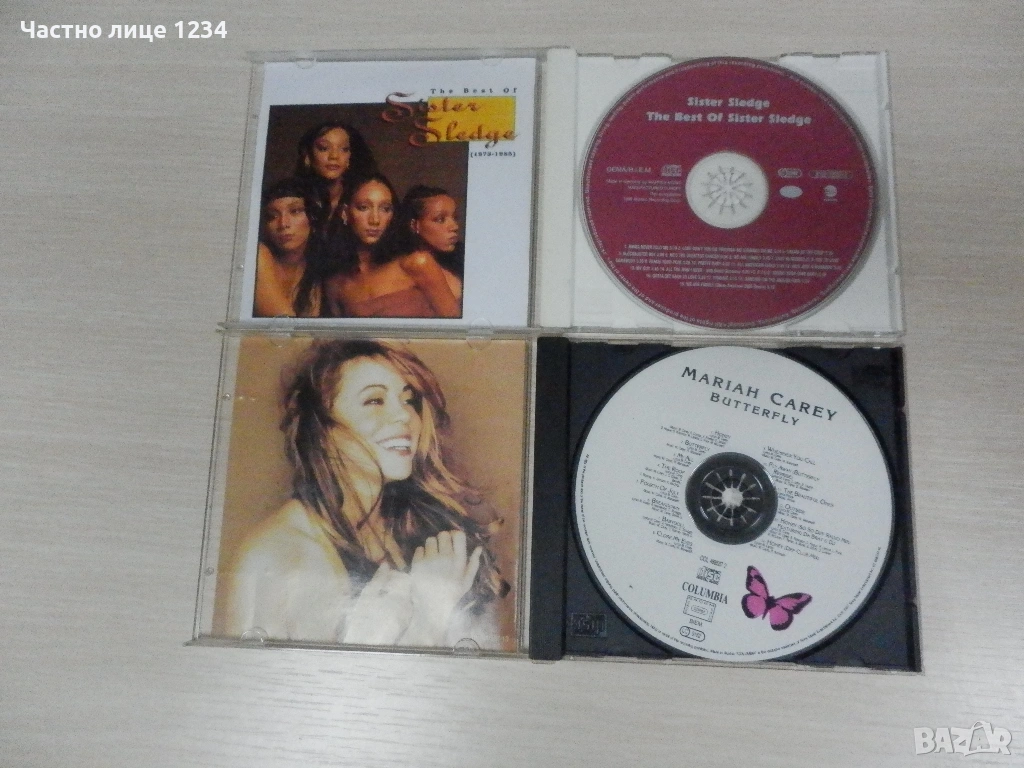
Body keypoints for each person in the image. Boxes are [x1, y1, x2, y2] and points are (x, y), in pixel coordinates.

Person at [222, 340, 509, 647]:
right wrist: (430, 615)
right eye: (374, 401)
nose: (404, 416)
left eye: (408, 400)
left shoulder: (429, 528)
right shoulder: (277, 556)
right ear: (322, 430)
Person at [318, 173, 462, 318]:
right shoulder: (335, 283)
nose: (375, 220)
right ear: (345, 213)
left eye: (385, 209)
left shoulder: (417, 264)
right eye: (363, 207)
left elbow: (455, 327)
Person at [253, 178, 324, 318]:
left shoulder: (312, 268)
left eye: (295, 211)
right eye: (272, 216)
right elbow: (285, 326)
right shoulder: (259, 255)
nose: (283, 224)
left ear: (313, 217)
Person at [294, 120, 376, 220]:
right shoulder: (293, 199)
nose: (334, 156)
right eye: (324, 148)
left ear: (350, 156)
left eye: (344, 149)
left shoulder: (363, 196)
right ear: (307, 155)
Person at [393, 185, 466, 282]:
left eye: (455, 217)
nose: (455, 227)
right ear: (414, 225)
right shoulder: (411, 264)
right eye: (440, 219)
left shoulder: (463, 258)